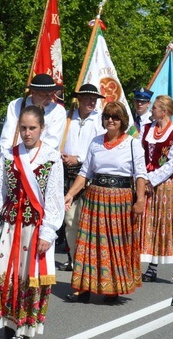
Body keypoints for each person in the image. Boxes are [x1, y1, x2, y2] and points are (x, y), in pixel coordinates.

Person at [0, 105, 64, 339]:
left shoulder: (51, 158)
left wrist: (48, 232)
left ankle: (23, 327)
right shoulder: (9, 156)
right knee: (2, 270)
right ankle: (6, 320)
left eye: (32, 128)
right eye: (23, 128)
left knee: (28, 275)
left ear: (42, 128)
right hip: (9, 224)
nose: (27, 133)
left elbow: (54, 200)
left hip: (34, 227)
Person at [64, 101, 148, 303]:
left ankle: (113, 288)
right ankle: (84, 288)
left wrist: (140, 200)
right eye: (107, 116)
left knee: (114, 245)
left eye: (115, 117)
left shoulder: (132, 143)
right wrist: (70, 194)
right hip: (95, 198)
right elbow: (85, 173)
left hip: (121, 200)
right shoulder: (95, 142)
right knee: (90, 244)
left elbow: (140, 175)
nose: (110, 120)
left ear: (122, 121)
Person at [138, 95, 173, 281]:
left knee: (160, 223)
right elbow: (138, 155)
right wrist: (142, 177)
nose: (151, 110)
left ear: (164, 111)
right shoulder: (146, 129)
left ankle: (153, 266)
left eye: (155, 108)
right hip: (145, 180)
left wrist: (152, 178)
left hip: (166, 184)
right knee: (142, 220)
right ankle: (137, 259)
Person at [58, 83, 105, 273]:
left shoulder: (99, 120)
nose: (91, 101)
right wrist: (61, 155)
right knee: (70, 219)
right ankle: (74, 258)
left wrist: (78, 158)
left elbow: (100, 149)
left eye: (94, 99)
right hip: (66, 173)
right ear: (79, 99)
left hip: (89, 175)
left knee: (88, 219)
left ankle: (90, 259)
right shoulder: (68, 118)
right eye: (87, 97)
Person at [0, 73, 66, 156]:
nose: (49, 98)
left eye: (51, 94)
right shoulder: (17, 105)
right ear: (33, 92)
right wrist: (7, 156)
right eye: (44, 95)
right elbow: (7, 137)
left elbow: (52, 141)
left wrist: (31, 159)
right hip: (15, 157)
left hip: (43, 159)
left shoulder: (58, 111)